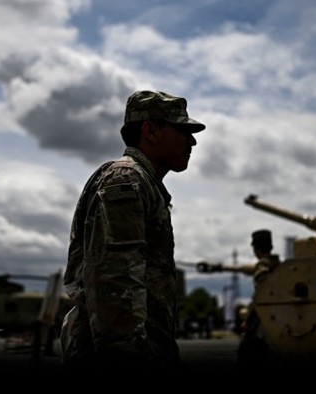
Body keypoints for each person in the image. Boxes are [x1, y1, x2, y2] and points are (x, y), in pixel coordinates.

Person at [60, 90, 205, 371]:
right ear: (150, 131)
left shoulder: (142, 183)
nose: (192, 141)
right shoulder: (127, 180)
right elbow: (115, 283)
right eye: (182, 130)